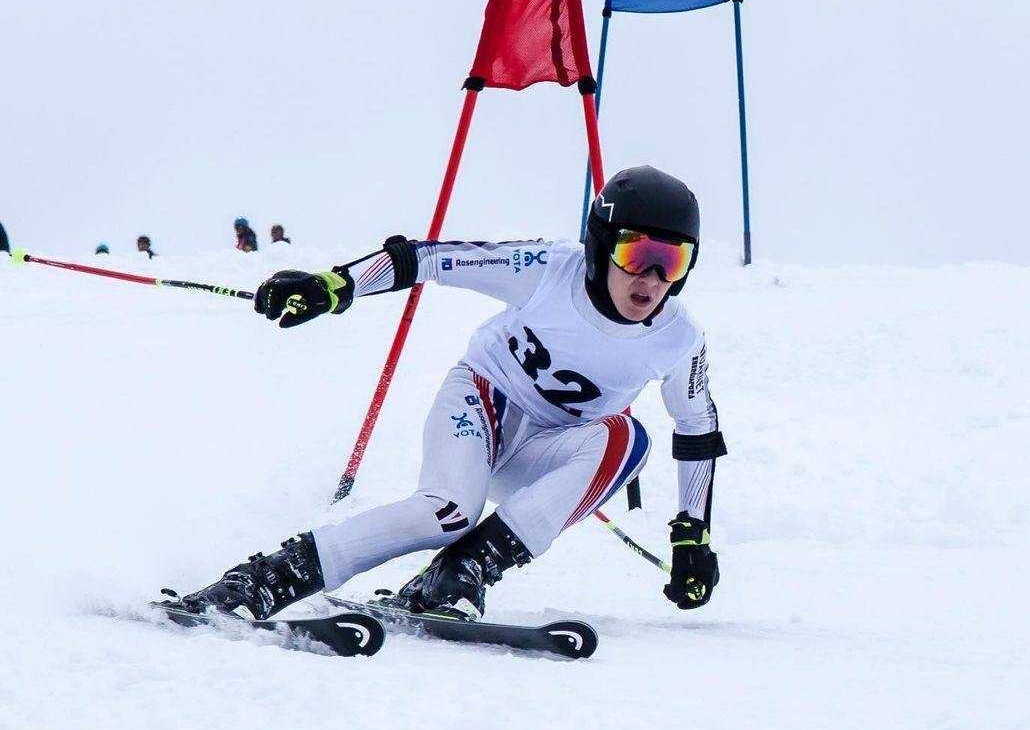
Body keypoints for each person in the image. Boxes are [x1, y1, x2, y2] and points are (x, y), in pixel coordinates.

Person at [165, 167, 725, 621]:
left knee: (630, 439)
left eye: (671, 261)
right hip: (482, 405)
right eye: (636, 255)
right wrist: (332, 288)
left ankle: (460, 575)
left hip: (549, 452)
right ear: (603, 246)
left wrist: (691, 535)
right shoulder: (550, 269)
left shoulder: (678, 337)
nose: (650, 280)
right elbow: (426, 257)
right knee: (448, 511)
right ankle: (268, 579)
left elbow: (697, 429)